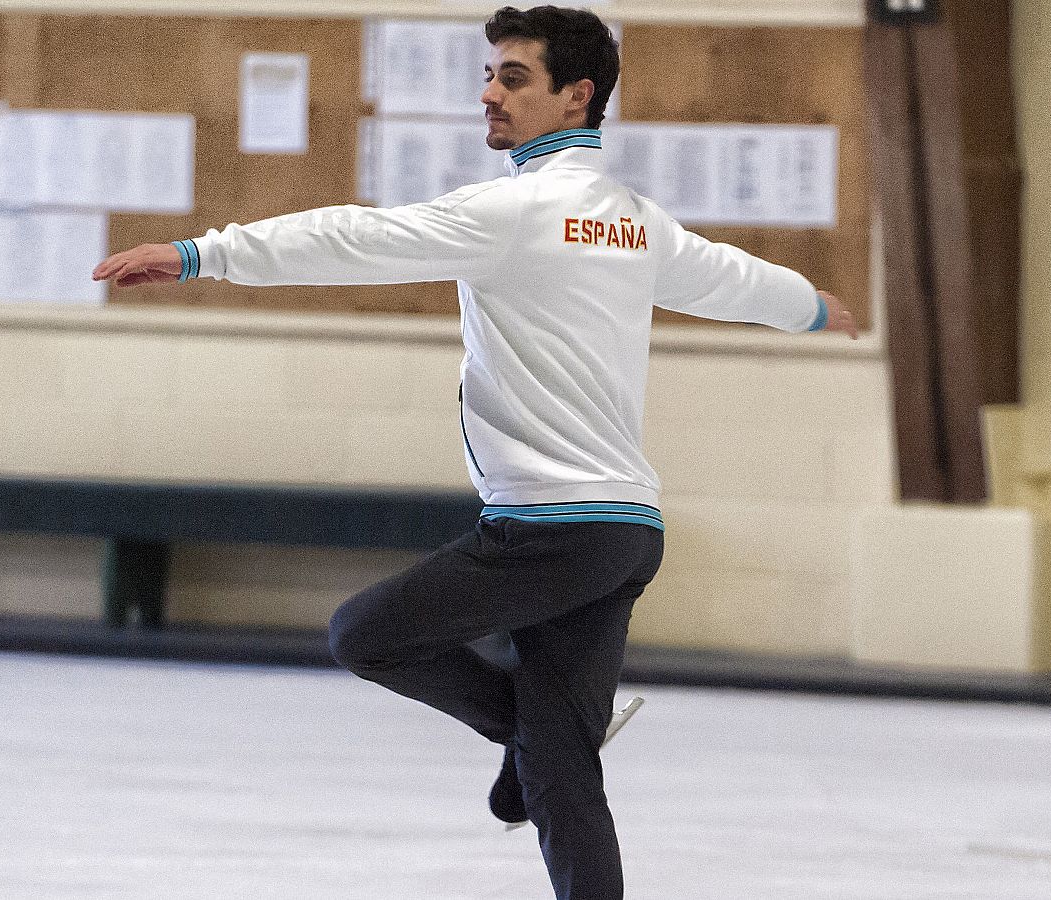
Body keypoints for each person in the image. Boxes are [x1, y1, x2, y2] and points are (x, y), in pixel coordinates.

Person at [93, 5, 856, 897]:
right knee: (566, 782)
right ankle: (541, 744)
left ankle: (526, 733)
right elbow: (736, 280)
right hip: (623, 533)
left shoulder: (514, 210)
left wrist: (200, 254)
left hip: (548, 528)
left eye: (513, 78)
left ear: (577, 97)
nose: (488, 94)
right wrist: (814, 307)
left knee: (367, 634)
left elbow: (354, 237)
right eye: (489, 75)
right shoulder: (634, 222)